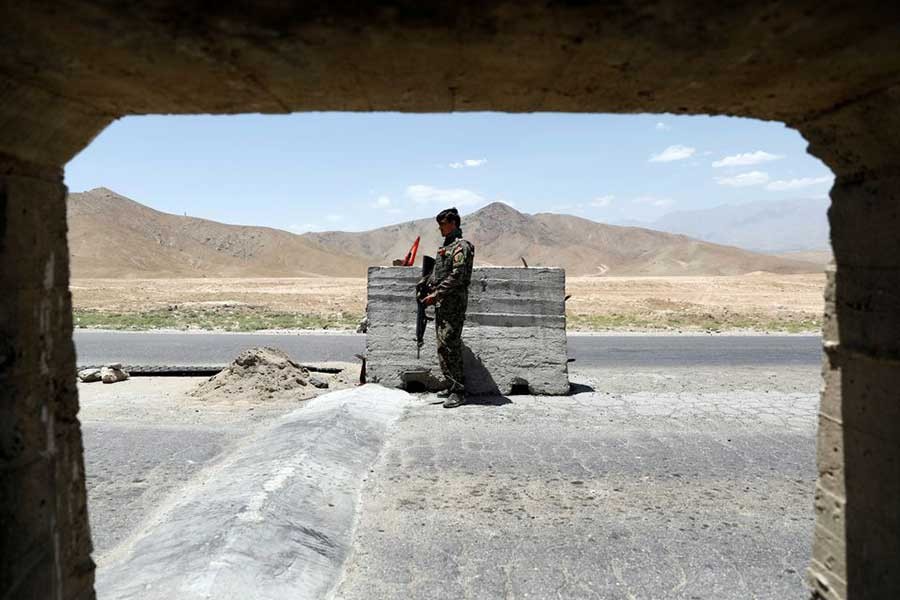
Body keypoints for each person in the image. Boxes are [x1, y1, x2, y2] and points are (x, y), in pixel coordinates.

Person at [420, 207, 475, 408]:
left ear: (453, 224)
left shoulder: (461, 247)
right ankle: (452, 385)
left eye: (442, 225)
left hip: (453, 304)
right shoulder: (447, 247)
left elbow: (457, 275)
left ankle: (459, 391)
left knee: (450, 345)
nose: (440, 229)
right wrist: (427, 283)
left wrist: (437, 294)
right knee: (443, 346)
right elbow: (439, 273)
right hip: (443, 304)